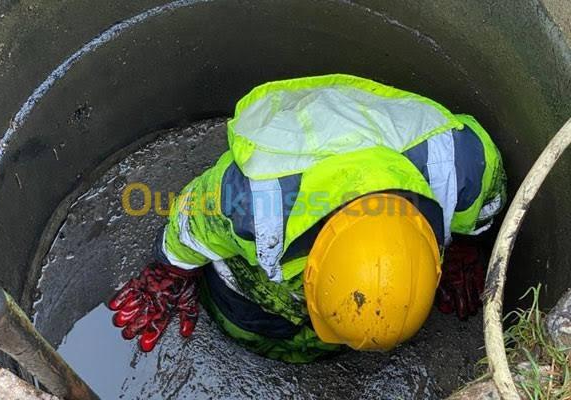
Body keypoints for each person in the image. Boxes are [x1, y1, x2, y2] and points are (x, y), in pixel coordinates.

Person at [108, 74, 506, 362]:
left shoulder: (459, 164)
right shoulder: (251, 201)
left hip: (375, 138)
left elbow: (487, 192)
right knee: (249, 316)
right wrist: (170, 273)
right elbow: (192, 220)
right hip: (288, 141)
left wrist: (465, 251)